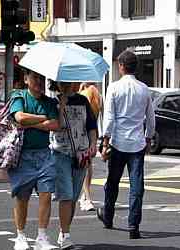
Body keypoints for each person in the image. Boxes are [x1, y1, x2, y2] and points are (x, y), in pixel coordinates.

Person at [97, 50, 155, 239]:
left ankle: (108, 216)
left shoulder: (114, 87)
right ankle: (133, 225)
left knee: (112, 183)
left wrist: (105, 140)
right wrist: (148, 138)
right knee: (136, 186)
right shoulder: (144, 88)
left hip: (118, 142)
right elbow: (150, 117)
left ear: (121, 66)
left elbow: (110, 117)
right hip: (137, 143)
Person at [8, 70, 60, 250]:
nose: (39, 81)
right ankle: (20, 236)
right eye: (34, 77)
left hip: (45, 154)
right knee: (22, 197)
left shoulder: (49, 101)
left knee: (46, 195)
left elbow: (55, 124)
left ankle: (42, 237)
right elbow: (19, 117)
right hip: (23, 155)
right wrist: (43, 120)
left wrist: (31, 123)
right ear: (25, 79)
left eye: (41, 78)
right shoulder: (19, 96)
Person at [50, 82, 98, 249]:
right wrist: (61, 105)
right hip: (60, 153)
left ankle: (64, 230)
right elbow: (57, 125)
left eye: (69, 81)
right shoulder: (52, 101)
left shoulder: (83, 101)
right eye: (63, 82)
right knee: (66, 194)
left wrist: (93, 144)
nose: (66, 85)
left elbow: (91, 125)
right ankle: (65, 235)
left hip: (81, 154)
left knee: (74, 196)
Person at [78, 82, 102, 211]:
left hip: (80, 135)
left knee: (83, 166)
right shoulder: (98, 96)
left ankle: (86, 197)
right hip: (91, 134)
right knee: (87, 165)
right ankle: (85, 196)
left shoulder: (82, 95)